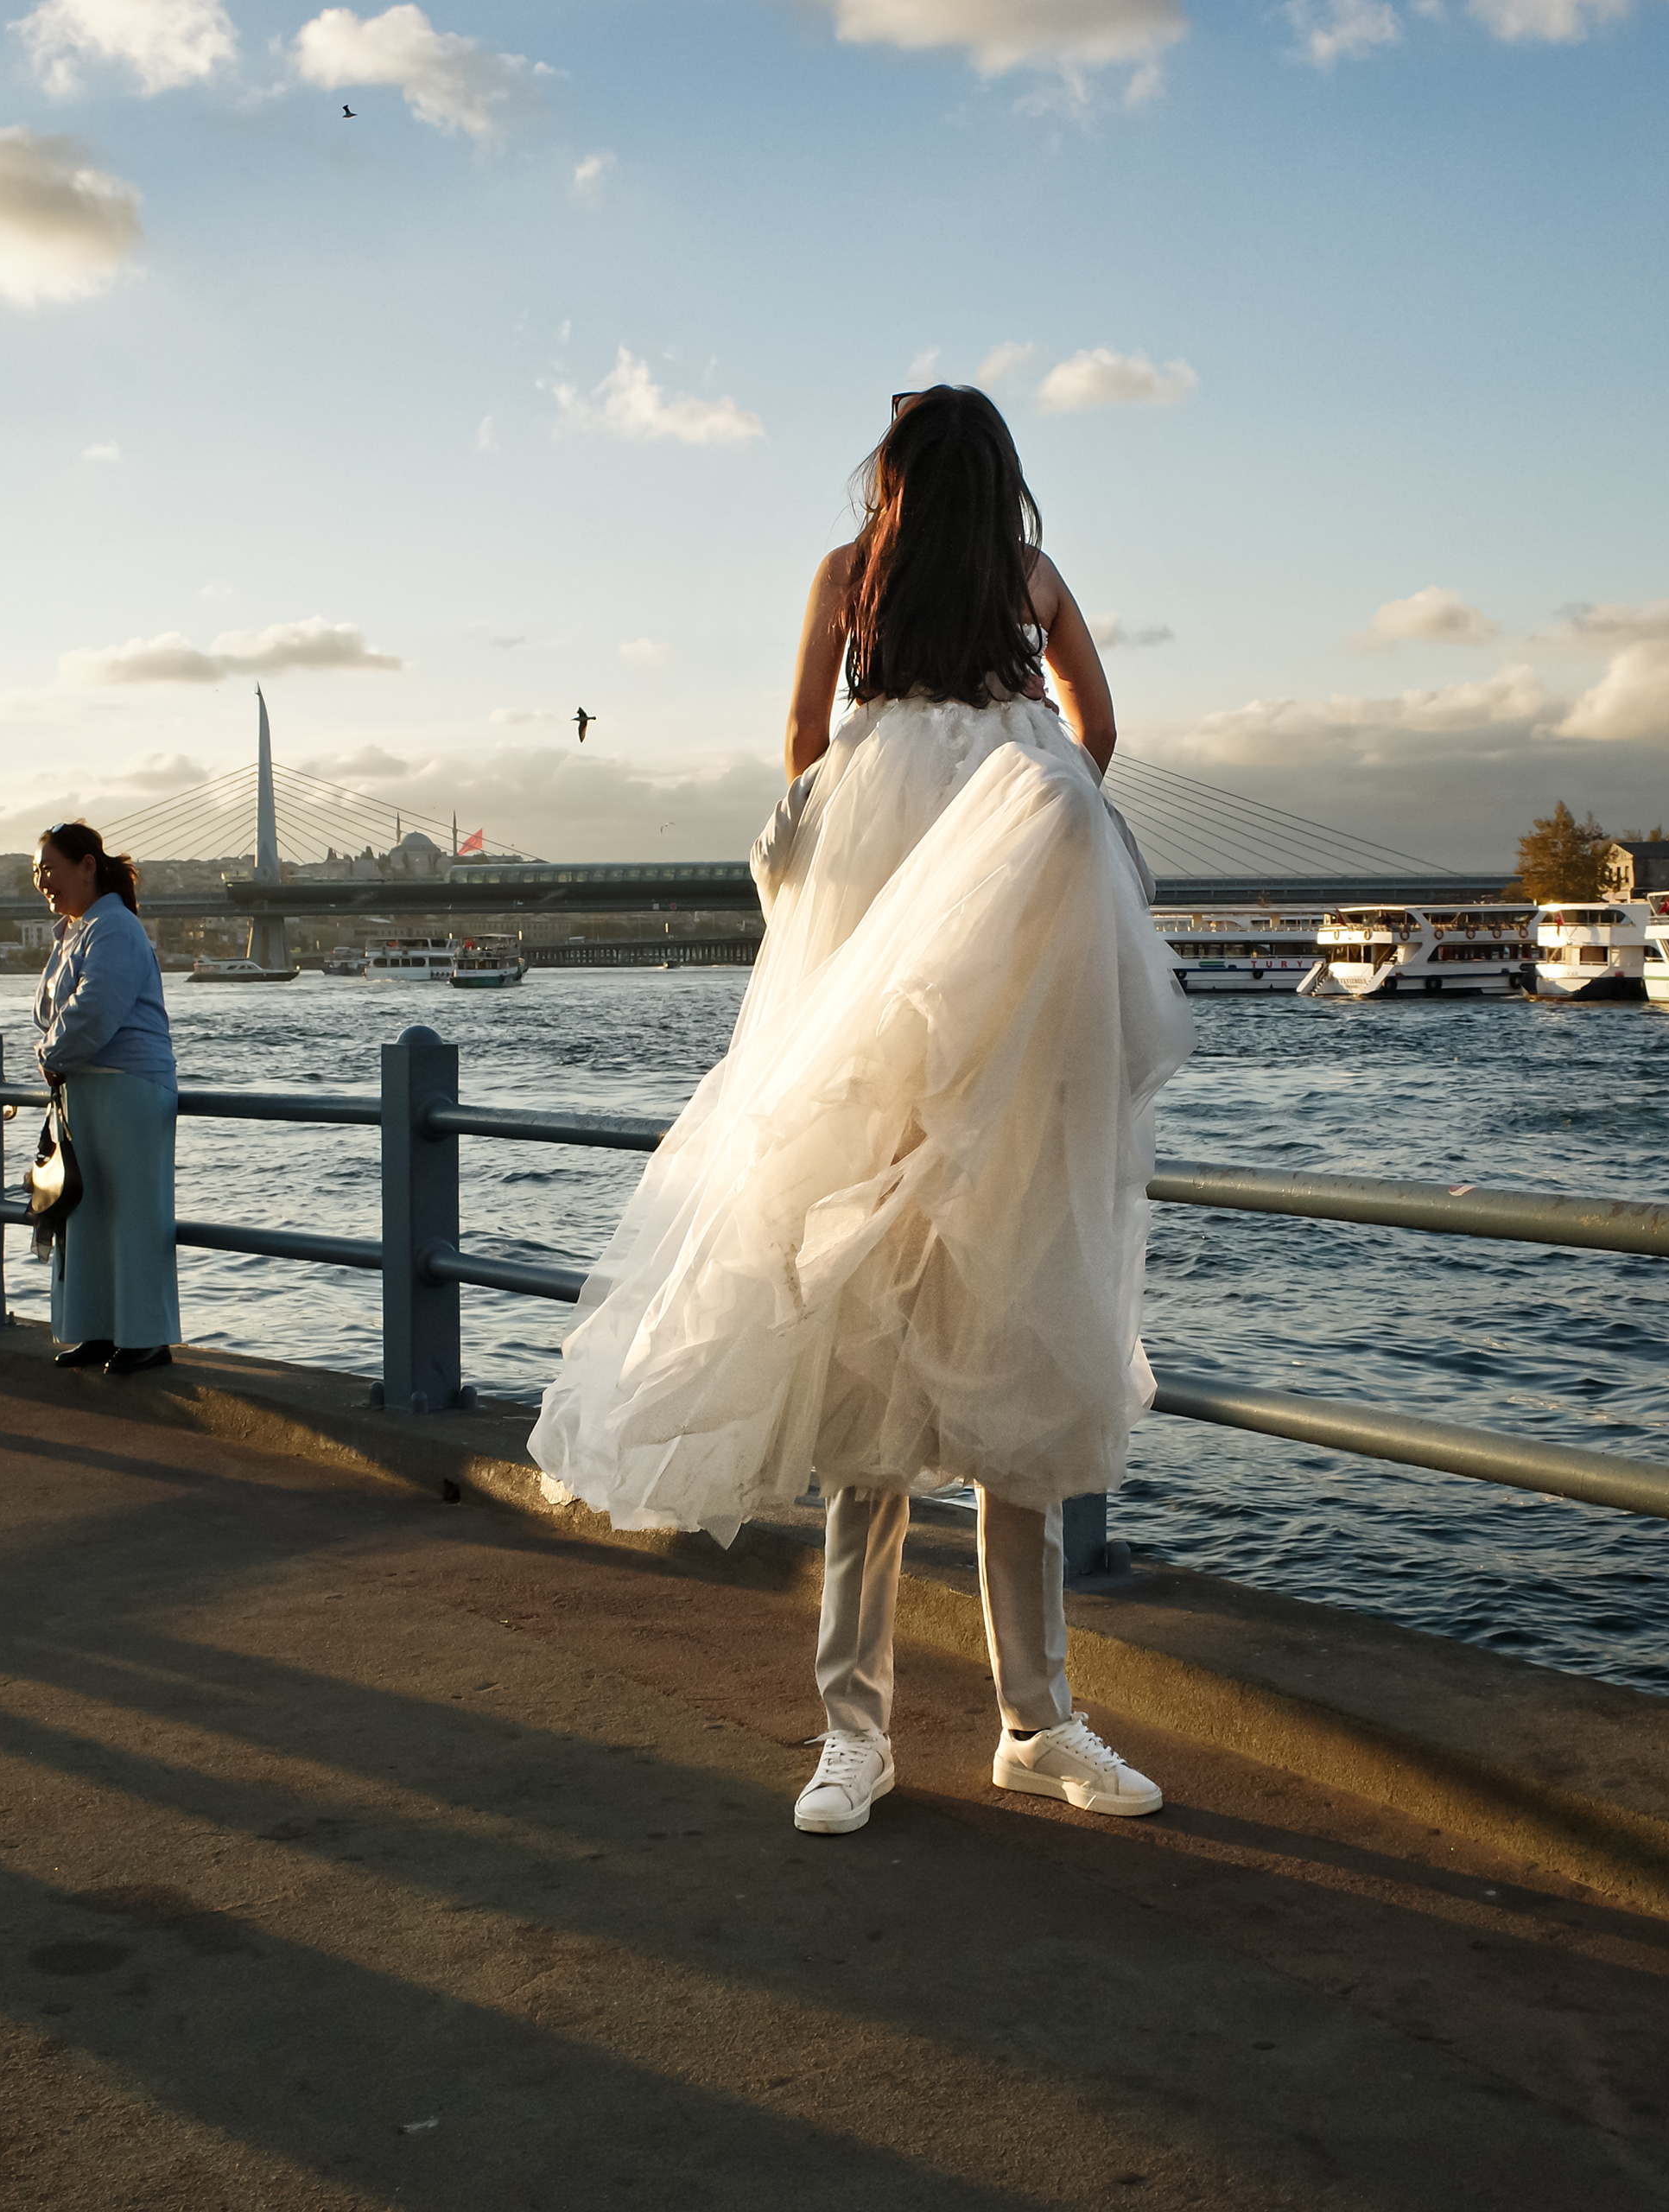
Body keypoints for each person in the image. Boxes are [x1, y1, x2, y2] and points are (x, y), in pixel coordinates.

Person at [530, 385, 1196, 1835]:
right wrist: (1012, 835)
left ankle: (870, 1729)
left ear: (895, 475)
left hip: (884, 983)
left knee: (873, 1356)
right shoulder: (1028, 580)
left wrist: (886, 848)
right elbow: (1099, 729)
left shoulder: (851, 575)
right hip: (1009, 998)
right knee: (1010, 1342)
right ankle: (1027, 1718)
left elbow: (797, 742)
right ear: (1001, 476)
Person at [33, 822, 180, 1376]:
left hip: (128, 1085)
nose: (43, 882)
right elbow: (58, 1013)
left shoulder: (115, 927)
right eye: (38, 873)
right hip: (88, 1087)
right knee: (88, 1214)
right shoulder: (76, 930)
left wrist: (50, 1054)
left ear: (88, 866)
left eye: (51, 869)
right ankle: (97, 1330)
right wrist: (56, 1052)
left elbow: (96, 1008)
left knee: (133, 1212)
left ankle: (145, 1338)